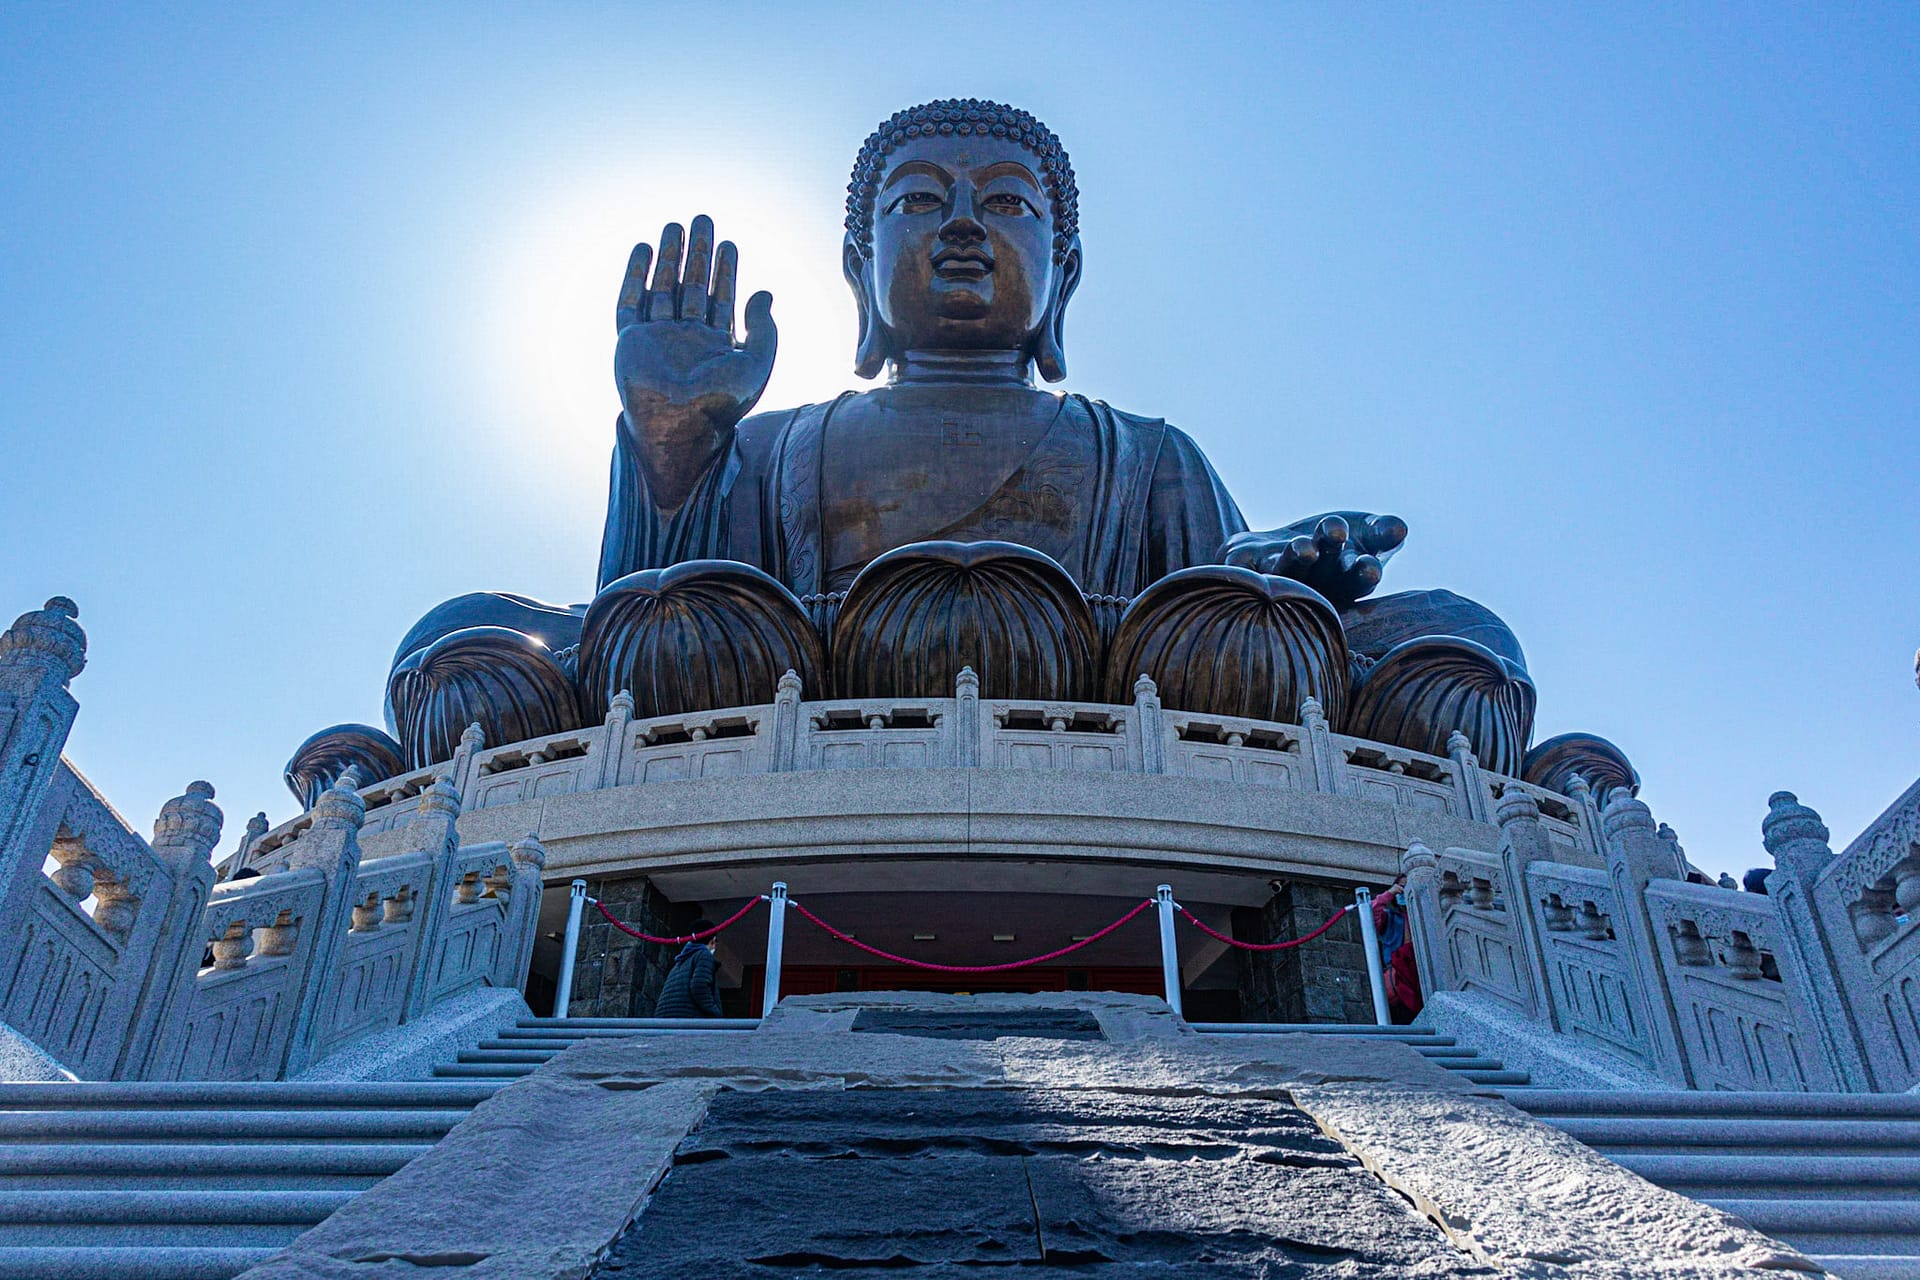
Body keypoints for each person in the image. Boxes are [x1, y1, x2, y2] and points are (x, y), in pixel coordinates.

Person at [1371, 880, 1423, 1025]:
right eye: (1402, 886)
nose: (1405, 890)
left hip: (1423, 973)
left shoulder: (1427, 916)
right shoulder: (1391, 918)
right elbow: (1371, 912)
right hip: (1399, 977)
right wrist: (1390, 893)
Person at [653, 920, 722, 1018]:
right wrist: (715, 1012)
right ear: (713, 940)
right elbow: (699, 986)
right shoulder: (704, 955)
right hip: (686, 1019)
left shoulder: (679, 963)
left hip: (665, 1019)